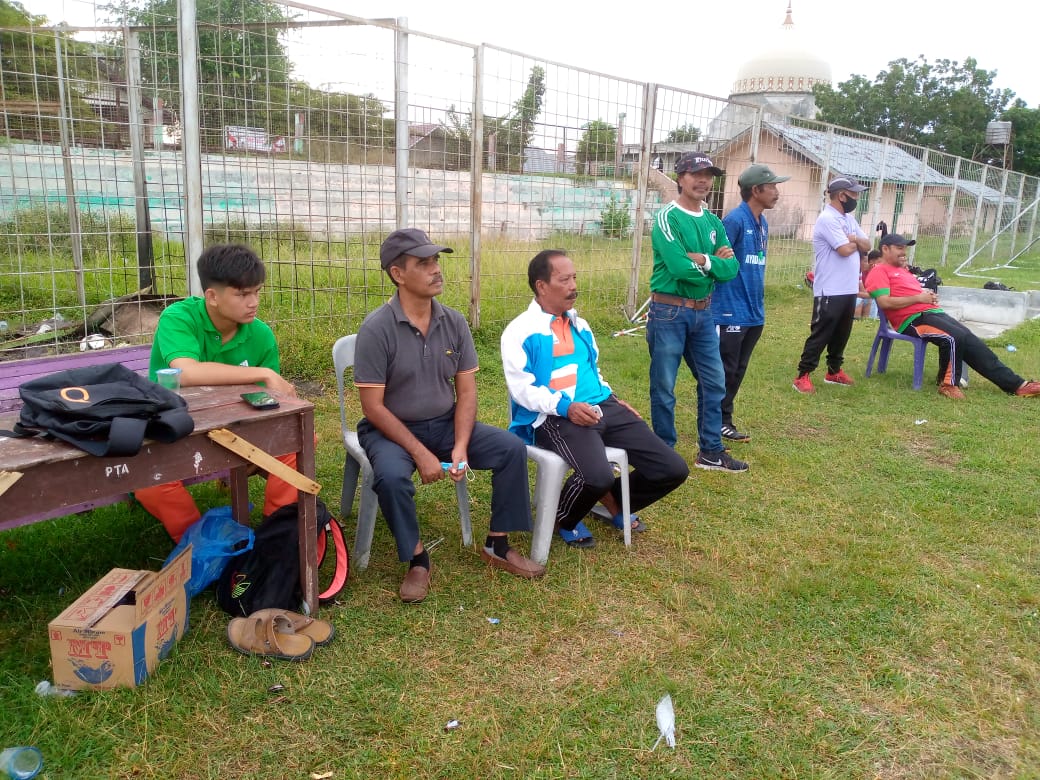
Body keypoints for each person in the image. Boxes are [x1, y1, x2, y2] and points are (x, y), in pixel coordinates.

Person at [353, 228, 545, 603]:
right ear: (397, 274)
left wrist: (459, 445)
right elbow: (373, 407)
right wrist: (420, 453)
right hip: (389, 430)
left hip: (443, 423)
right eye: (424, 263)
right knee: (391, 477)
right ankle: (417, 559)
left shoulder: (454, 322)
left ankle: (497, 544)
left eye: (436, 260)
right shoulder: (377, 329)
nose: (436, 269)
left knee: (510, 448)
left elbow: (467, 393)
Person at [502, 250, 689, 548]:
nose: (573, 286)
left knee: (672, 469)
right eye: (565, 280)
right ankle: (564, 517)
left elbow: (591, 370)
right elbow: (522, 389)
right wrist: (566, 407)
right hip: (556, 415)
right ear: (541, 286)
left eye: (574, 278)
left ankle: (607, 500)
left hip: (604, 406)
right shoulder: (520, 331)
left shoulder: (581, 325)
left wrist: (612, 397)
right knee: (597, 477)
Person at [137, 243, 300, 542]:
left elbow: (270, 401)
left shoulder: (260, 334)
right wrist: (263, 373)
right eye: (242, 294)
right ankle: (201, 544)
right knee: (150, 481)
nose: (253, 302)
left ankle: (274, 535)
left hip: (234, 432)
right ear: (212, 296)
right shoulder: (179, 317)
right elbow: (185, 371)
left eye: (257, 292)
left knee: (299, 440)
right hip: (174, 433)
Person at [648, 151, 747, 473]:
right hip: (669, 311)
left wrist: (703, 260)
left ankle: (711, 451)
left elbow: (732, 269)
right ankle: (664, 453)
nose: (703, 181)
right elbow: (678, 267)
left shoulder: (713, 221)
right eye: (696, 174)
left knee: (714, 382)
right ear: (681, 178)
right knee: (664, 386)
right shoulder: (667, 218)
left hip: (704, 313)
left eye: (709, 175)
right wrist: (713, 266)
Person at [865, 233, 1040, 399]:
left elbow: (910, 293)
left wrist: (927, 296)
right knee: (953, 337)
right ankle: (947, 384)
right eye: (899, 248)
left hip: (931, 312)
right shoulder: (879, 271)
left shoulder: (903, 270)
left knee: (970, 339)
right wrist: (919, 298)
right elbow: (884, 302)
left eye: (905, 248)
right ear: (885, 249)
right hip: (912, 320)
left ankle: (1017, 385)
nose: (904, 252)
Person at [713, 163, 790, 443]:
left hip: (754, 311)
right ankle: (718, 421)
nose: (777, 192)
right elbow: (717, 262)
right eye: (772, 187)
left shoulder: (763, 223)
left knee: (739, 368)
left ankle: (724, 418)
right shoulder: (734, 221)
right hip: (730, 311)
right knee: (725, 369)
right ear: (756, 190)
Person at [793, 176, 872, 393]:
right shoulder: (827, 219)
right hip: (830, 289)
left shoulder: (849, 220)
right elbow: (844, 250)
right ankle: (803, 375)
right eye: (853, 194)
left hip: (848, 289)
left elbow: (867, 244)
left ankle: (833, 371)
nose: (856, 198)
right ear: (842, 196)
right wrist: (855, 242)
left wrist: (853, 239)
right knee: (821, 333)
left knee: (842, 333)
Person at [855, 249, 882, 320]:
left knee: (872, 300)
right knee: (862, 300)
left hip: (862, 296)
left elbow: (865, 291)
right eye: (879, 262)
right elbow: (854, 292)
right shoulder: (858, 272)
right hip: (854, 297)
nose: (881, 265)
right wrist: (871, 295)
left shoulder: (876, 273)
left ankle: (869, 321)